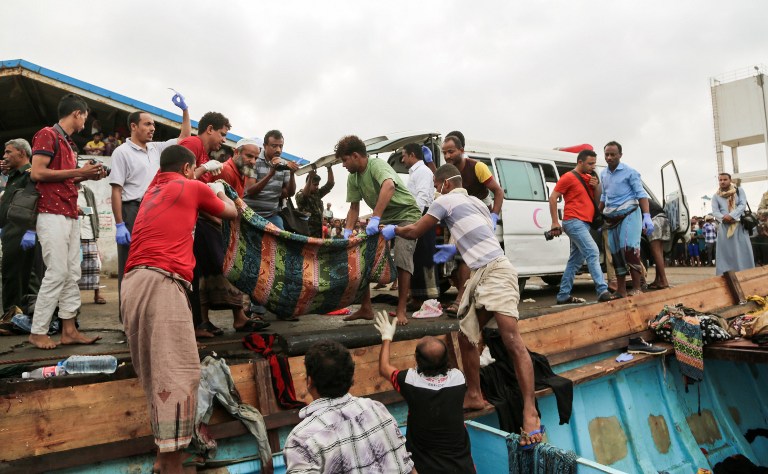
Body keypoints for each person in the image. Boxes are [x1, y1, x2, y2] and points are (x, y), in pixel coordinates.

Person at [380, 163, 544, 448]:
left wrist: (390, 228)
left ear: (443, 184)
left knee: (512, 340)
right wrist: (453, 249)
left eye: (435, 185)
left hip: (496, 270)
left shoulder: (446, 199)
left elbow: (416, 230)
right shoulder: (477, 203)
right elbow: (473, 236)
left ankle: (529, 411)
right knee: (466, 336)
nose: (434, 191)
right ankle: (473, 394)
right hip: (479, 274)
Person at [121, 145, 238, 473]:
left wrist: (199, 175)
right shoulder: (192, 186)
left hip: (131, 285)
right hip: (162, 282)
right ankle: (171, 464)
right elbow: (231, 212)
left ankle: (162, 461)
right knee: (179, 372)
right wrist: (218, 190)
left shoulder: (151, 191)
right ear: (188, 169)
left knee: (153, 372)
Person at [29, 93, 107, 349]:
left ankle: (69, 329)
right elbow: (37, 172)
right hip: (51, 212)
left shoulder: (69, 144)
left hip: (69, 212)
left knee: (72, 272)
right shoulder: (47, 135)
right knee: (57, 272)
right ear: (77, 113)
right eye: (85, 115)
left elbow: (65, 178)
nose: (86, 120)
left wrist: (86, 177)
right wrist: (79, 172)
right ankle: (38, 331)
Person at [109, 92, 191, 310]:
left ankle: (148, 314)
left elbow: (184, 137)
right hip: (132, 212)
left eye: (153, 124)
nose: (152, 128)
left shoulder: (156, 148)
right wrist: (119, 224)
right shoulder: (122, 152)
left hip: (154, 212)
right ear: (133, 126)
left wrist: (184, 110)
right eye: (147, 124)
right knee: (129, 266)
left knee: (153, 265)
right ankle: (127, 319)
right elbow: (116, 190)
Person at [283, 340, 415, 473]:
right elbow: (407, 468)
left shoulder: (301, 439)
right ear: (351, 378)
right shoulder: (376, 409)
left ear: (309, 382)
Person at [338, 135, 422, 326]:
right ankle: (366, 307)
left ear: (356, 156)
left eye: (344, 160)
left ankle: (401, 309)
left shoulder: (375, 165)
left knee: (402, 255)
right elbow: (353, 208)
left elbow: (389, 185)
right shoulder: (353, 177)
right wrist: (347, 232)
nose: (343, 165)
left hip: (406, 213)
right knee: (363, 254)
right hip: (384, 217)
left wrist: (375, 218)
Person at [376, 314, 475, 472]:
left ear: (417, 360)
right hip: (461, 467)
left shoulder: (410, 381)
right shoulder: (458, 378)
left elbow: (384, 368)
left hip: (425, 467)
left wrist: (387, 337)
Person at [196, 137, 270, 335]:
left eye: (255, 158)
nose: (253, 161)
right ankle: (208, 320)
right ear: (236, 153)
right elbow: (201, 199)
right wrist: (220, 223)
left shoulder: (243, 173)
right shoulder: (225, 171)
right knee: (218, 270)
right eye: (249, 156)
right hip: (208, 225)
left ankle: (238, 317)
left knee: (221, 271)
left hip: (221, 226)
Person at [440, 135, 504, 315]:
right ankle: (468, 296)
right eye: (444, 152)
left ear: (461, 150)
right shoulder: (449, 171)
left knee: (466, 255)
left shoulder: (477, 167)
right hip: (460, 215)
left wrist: (493, 216)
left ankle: (461, 300)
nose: (447, 156)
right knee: (450, 262)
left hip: (480, 212)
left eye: (451, 151)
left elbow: (498, 191)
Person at [548, 149, 614, 304]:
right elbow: (553, 197)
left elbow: (597, 201)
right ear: (580, 162)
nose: (593, 167)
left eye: (594, 164)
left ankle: (563, 295)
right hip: (573, 221)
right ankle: (602, 290)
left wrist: (596, 186)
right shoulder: (568, 177)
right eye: (590, 164)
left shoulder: (589, 179)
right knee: (593, 252)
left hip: (584, 223)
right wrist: (555, 221)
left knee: (575, 262)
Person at [599, 141, 654, 297]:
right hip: (611, 218)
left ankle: (637, 287)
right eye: (606, 155)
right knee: (616, 254)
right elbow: (604, 195)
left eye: (612, 154)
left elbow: (641, 194)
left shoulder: (630, 172)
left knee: (629, 249)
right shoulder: (603, 174)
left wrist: (647, 216)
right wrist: (598, 214)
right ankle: (621, 290)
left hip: (629, 213)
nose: (609, 158)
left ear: (620, 155)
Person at [0, 139, 39, 312]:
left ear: (22, 153)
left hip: (20, 233)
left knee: (13, 276)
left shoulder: (30, 175)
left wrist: (30, 230)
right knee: (25, 278)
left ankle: (11, 316)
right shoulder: (14, 175)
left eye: (9, 152)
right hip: (10, 232)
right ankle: (29, 314)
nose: (4, 156)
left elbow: (36, 202)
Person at [401, 143, 439, 308]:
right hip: (419, 218)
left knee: (424, 258)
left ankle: (426, 299)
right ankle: (418, 297)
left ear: (412, 155)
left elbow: (422, 198)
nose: (402, 159)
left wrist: (415, 221)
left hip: (422, 218)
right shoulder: (416, 172)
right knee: (417, 258)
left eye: (403, 155)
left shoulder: (422, 171)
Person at [242, 129, 299, 229]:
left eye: (281, 146)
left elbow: (289, 193)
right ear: (265, 146)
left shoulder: (284, 164)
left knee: (280, 241)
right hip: (249, 213)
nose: (278, 150)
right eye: (274, 146)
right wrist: (271, 173)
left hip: (271, 216)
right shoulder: (254, 160)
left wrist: (292, 174)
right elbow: (250, 190)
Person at [712, 173, 755, 275]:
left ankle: (746, 272)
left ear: (730, 180)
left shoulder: (739, 191)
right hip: (724, 228)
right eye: (720, 180)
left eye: (725, 179)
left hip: (739, 226)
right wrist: (724, 218)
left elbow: (742, 205)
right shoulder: (716, 196)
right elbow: (715, 211)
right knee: (725, 253)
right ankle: (725, 274)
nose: (722, 182)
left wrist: (732, 215)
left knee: (742, 250)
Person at [76, 183, 105, 304]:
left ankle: (97, 294)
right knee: (74, 267)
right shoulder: (65, 189)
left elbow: (93, 211)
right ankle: (73, 297)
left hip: (88, 232)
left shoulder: (87, 191)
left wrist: (96, 232)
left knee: (94, 265)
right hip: (73, 234)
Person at [296, 165, 335, 238]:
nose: (317, 187)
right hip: (306, 233)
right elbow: (305, 196)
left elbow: (330, 184)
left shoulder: (317, 194)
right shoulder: (299, 194)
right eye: (315, 184)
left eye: (318, 184)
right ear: (308, 183)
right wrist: (310, 177)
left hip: (317, 233)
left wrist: (329, 168)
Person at [646, 199, 671, 289]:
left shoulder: (637, 199)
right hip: (664, 219)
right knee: (660, 253)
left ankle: (664, 280)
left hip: (654, 221)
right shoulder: (649, 200)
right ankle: (658, 280)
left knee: (656, 252)